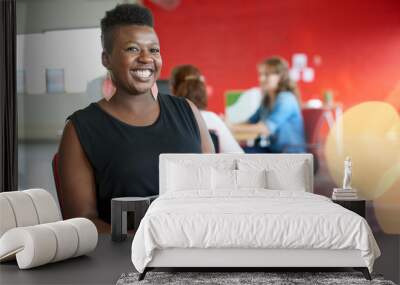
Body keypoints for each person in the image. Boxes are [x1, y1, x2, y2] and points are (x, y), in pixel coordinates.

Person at [58, 4, 214, 232]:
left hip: (198, 248)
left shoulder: (188, 111)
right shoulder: (80, 130)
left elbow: (215, 192)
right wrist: (149, 240)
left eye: (154, 50)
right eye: (132, 49)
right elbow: (81, 223)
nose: (146, 58)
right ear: (106, 59)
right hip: (127, 259)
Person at [230, 57, 306, 153]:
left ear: (281, 76)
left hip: (290, 155)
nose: (261, 79)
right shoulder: (267, 99)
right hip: (274, 150)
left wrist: (231, 127)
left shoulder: (286, 99)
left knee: (239, 154)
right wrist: (226, 125)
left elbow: (266, 128)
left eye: (267, 75)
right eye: (260, 74)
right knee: (236, 152)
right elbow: (250, 121)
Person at [170, 65, 243, 153]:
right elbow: (239, 156)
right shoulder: (212, 119)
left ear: (172, 89)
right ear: (201, 89)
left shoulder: (167, 120)